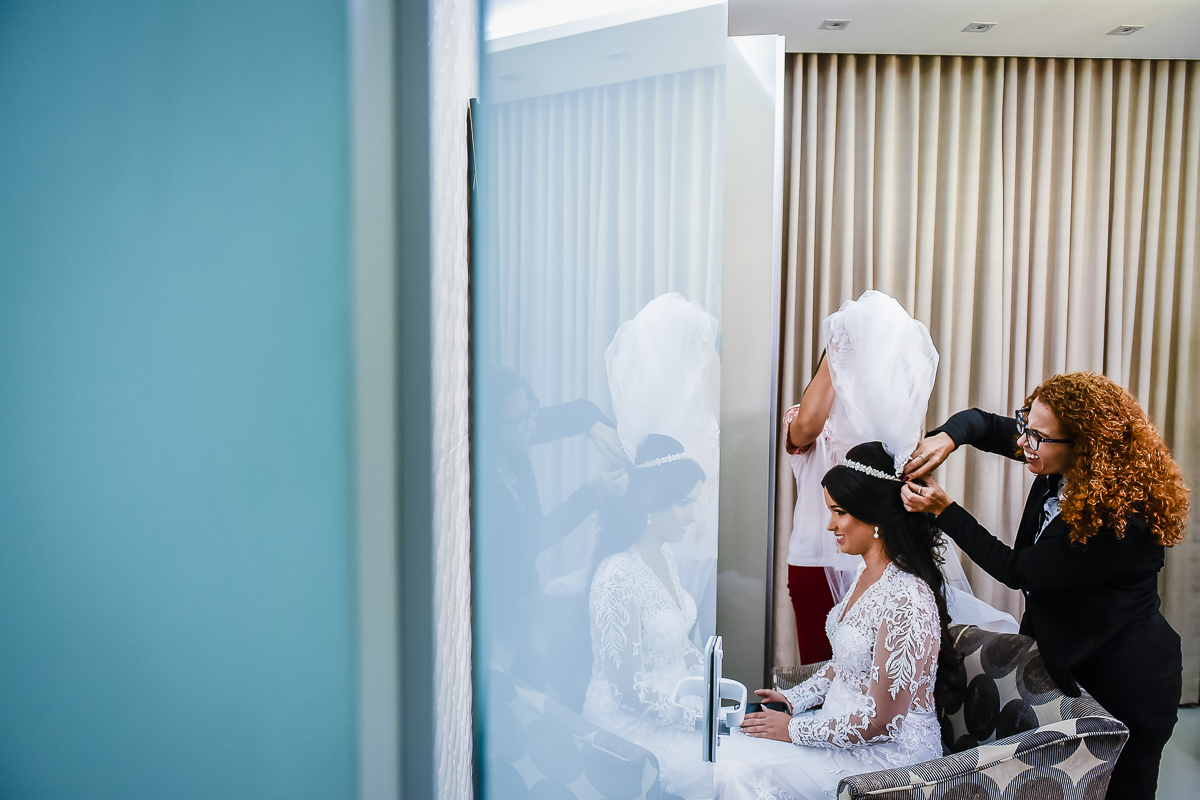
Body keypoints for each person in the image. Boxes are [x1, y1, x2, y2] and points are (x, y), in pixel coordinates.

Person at [902, 372, 1190, 800]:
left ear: (1085, 446)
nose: (1023, 443)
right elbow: (982, 423)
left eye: (1037, 437)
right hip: (1072, 654)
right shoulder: (1060, 458)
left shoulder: (1117, 520)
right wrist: (948, 437)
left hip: (1127, 678)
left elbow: (1021, 571)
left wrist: (945, 511)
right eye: (1026, 425)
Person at [714, 442, 961, 800]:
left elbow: (883, 722)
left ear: (874, 516)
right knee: (725, 753)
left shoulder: (907, 599)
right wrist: (793, 698)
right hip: (838, 729)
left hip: (888, 760)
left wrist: (794, 730)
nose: (830, 525)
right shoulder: (866, 574)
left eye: (839, 512)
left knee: (736, 774)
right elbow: (846, 665)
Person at [784, 291, 1013, 663]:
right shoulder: (803, 416)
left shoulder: (888, 424)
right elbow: (806, 427)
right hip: (815, 558)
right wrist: (840, 340)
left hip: (878, 558)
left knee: (875, 669)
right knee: (819, 665)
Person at [479, 368, 629, 702]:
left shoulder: (519, 427)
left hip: (525, 589)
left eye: (531, 412)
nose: (531, 426)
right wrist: (594, 493)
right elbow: (533, 539)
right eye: (520, 421)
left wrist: (594, 427)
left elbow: (577, 412)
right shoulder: (481, 481)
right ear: (489, 428)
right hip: (497, 606)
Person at [583, 434, 709, 799]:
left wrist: (714, 690)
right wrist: (696, 720)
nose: (693, 515)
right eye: (685, 503)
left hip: (677, 704)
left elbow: (679, 645)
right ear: (653, 503)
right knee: (725, 772)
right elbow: (627, 693)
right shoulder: (616, 576)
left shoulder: (665, 558)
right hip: (629, 730)